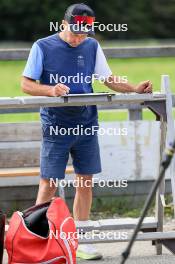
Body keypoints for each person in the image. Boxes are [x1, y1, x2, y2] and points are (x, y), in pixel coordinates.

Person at [21, 3, 152, 260]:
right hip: (55, 125)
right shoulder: (42, 46)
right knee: (49, 184)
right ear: (63, 24)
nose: (79, 37)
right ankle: (36, 240)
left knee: (86, 182)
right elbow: (26, 84)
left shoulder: (91, 46)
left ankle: (80, 240)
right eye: (75, 32)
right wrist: (51, 90)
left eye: (84, 33)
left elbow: (108, 78)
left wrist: (135, 87)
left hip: (87, 122)